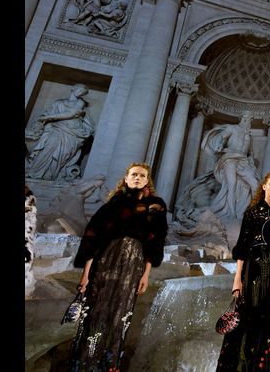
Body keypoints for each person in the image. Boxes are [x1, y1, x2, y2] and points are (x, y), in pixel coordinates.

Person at [69, 163, 168, 371]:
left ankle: (109, 364)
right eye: (134, 174)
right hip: (105, 259)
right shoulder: (112, 205)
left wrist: (146, 274)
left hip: (133, 261)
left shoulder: (155, 205)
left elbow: (155, 241)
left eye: (142, 175)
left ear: (147, 180)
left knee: (120, 314)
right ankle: (85, 364)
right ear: (126, 178)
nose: (138, 178)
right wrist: (86, 275)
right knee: (95, 311)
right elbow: (93, 239)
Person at [217, 171, 270, 371]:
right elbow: (242, 247)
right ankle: (241, 366)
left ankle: (265, 367)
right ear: (264, 186)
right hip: (253, 270)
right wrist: (237, 279)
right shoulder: (252, 212)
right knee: (247, 317)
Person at [25, 84, 95, 181]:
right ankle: (35, 172)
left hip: (73, 133)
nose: (80, 93)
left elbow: (71, 114)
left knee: (63, 154)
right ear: (73, 88)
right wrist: (42, 121)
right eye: (80, 90)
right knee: (50, 145)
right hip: (57, 129)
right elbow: (47, 114)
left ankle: (50, 176)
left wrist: (48, 117)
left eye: (83, 93)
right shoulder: (58, 102)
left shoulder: (80, 103)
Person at [201, 113, 260, 223]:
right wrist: (219, 145)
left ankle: (254, 213)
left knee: (255, 183)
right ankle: (232, 215)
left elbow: (250, 152)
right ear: (242, 119)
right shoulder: (232, 128)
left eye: (250, 121)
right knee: (231, 185)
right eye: (247, 120)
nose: (249, 123)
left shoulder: (249, 135)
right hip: (230, 159)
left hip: (243, 161)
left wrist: (251, 161)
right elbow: (221, 137)